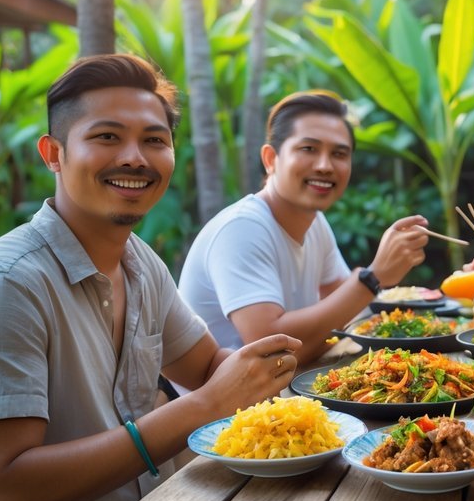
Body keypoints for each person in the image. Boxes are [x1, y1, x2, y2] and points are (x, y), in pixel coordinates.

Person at [0, 54, 298, 501]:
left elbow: (205, 366)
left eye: (154, 140)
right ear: (53, 154)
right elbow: (5, 492)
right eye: (107, 136)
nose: (135, 157)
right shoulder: (3, 286)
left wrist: (304, 397)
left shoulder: (138, 261)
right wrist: (203, 407)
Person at [177, 90, 429, 367]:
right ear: (271, 159)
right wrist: (372, 278)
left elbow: (348, 309)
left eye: (339, 154)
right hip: (228, 407)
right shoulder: (242, 228)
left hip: (288, 389)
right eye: (308, 149)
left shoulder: (315, 223)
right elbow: (265, 341)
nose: (324, 165)